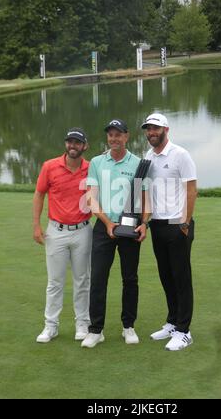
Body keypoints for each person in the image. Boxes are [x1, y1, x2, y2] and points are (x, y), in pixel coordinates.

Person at [82, 119, 149, 349]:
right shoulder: (97, 163)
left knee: (130, 278)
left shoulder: (139, 163)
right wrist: (107, 222)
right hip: (104, 226)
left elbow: (145, 197)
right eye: (110, 135)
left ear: (126, 137)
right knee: (98, 278)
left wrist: (145, 223)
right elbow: (91, 197)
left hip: (131, 227)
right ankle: (95, 330)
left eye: (118, 134)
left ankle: (128, 326)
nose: (114, 138)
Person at [142, 113, 198, 351]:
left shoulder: (180, 155)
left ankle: (184, 331)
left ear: (166, 129)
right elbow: (146, 191)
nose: (151, 132)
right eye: (148, 129)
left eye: (155, 128)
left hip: (178, 225)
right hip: (157, 224)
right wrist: (145, 221)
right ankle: (173, 322)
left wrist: (185, 223)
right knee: (166, 275)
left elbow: (191, 190)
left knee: (181, 277)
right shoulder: (148, 156)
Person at [34, 128, 92, 344]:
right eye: (70, 142)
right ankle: (51, 326)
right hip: (55, 231)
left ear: (84, 146)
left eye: (77, 143)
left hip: (83, 230)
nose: (73, 146)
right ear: (66, 144)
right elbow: (39, 194)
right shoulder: (50, 166)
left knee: (82, 280)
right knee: (55, 282)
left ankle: (82, 324)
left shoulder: (91, 168)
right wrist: (36, 226)